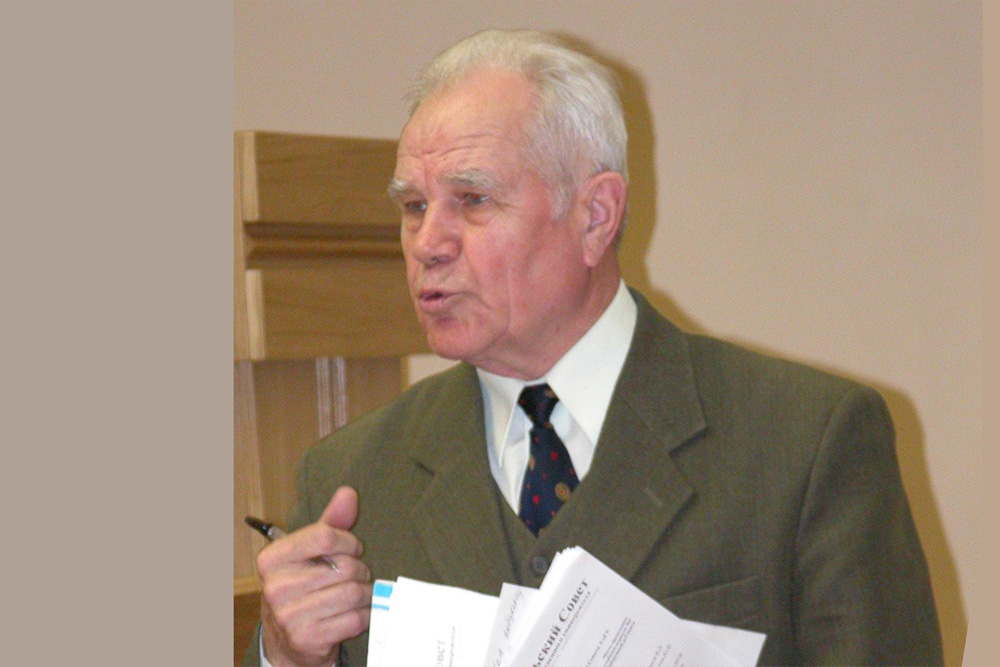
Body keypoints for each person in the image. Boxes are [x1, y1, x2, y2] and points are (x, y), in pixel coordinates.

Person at [246, 29, 942, 666]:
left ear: (596, 216)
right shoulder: (351, 480)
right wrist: (286, 657)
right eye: (413, 207)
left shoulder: (806, 443)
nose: (427, 243)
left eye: (473, 200)